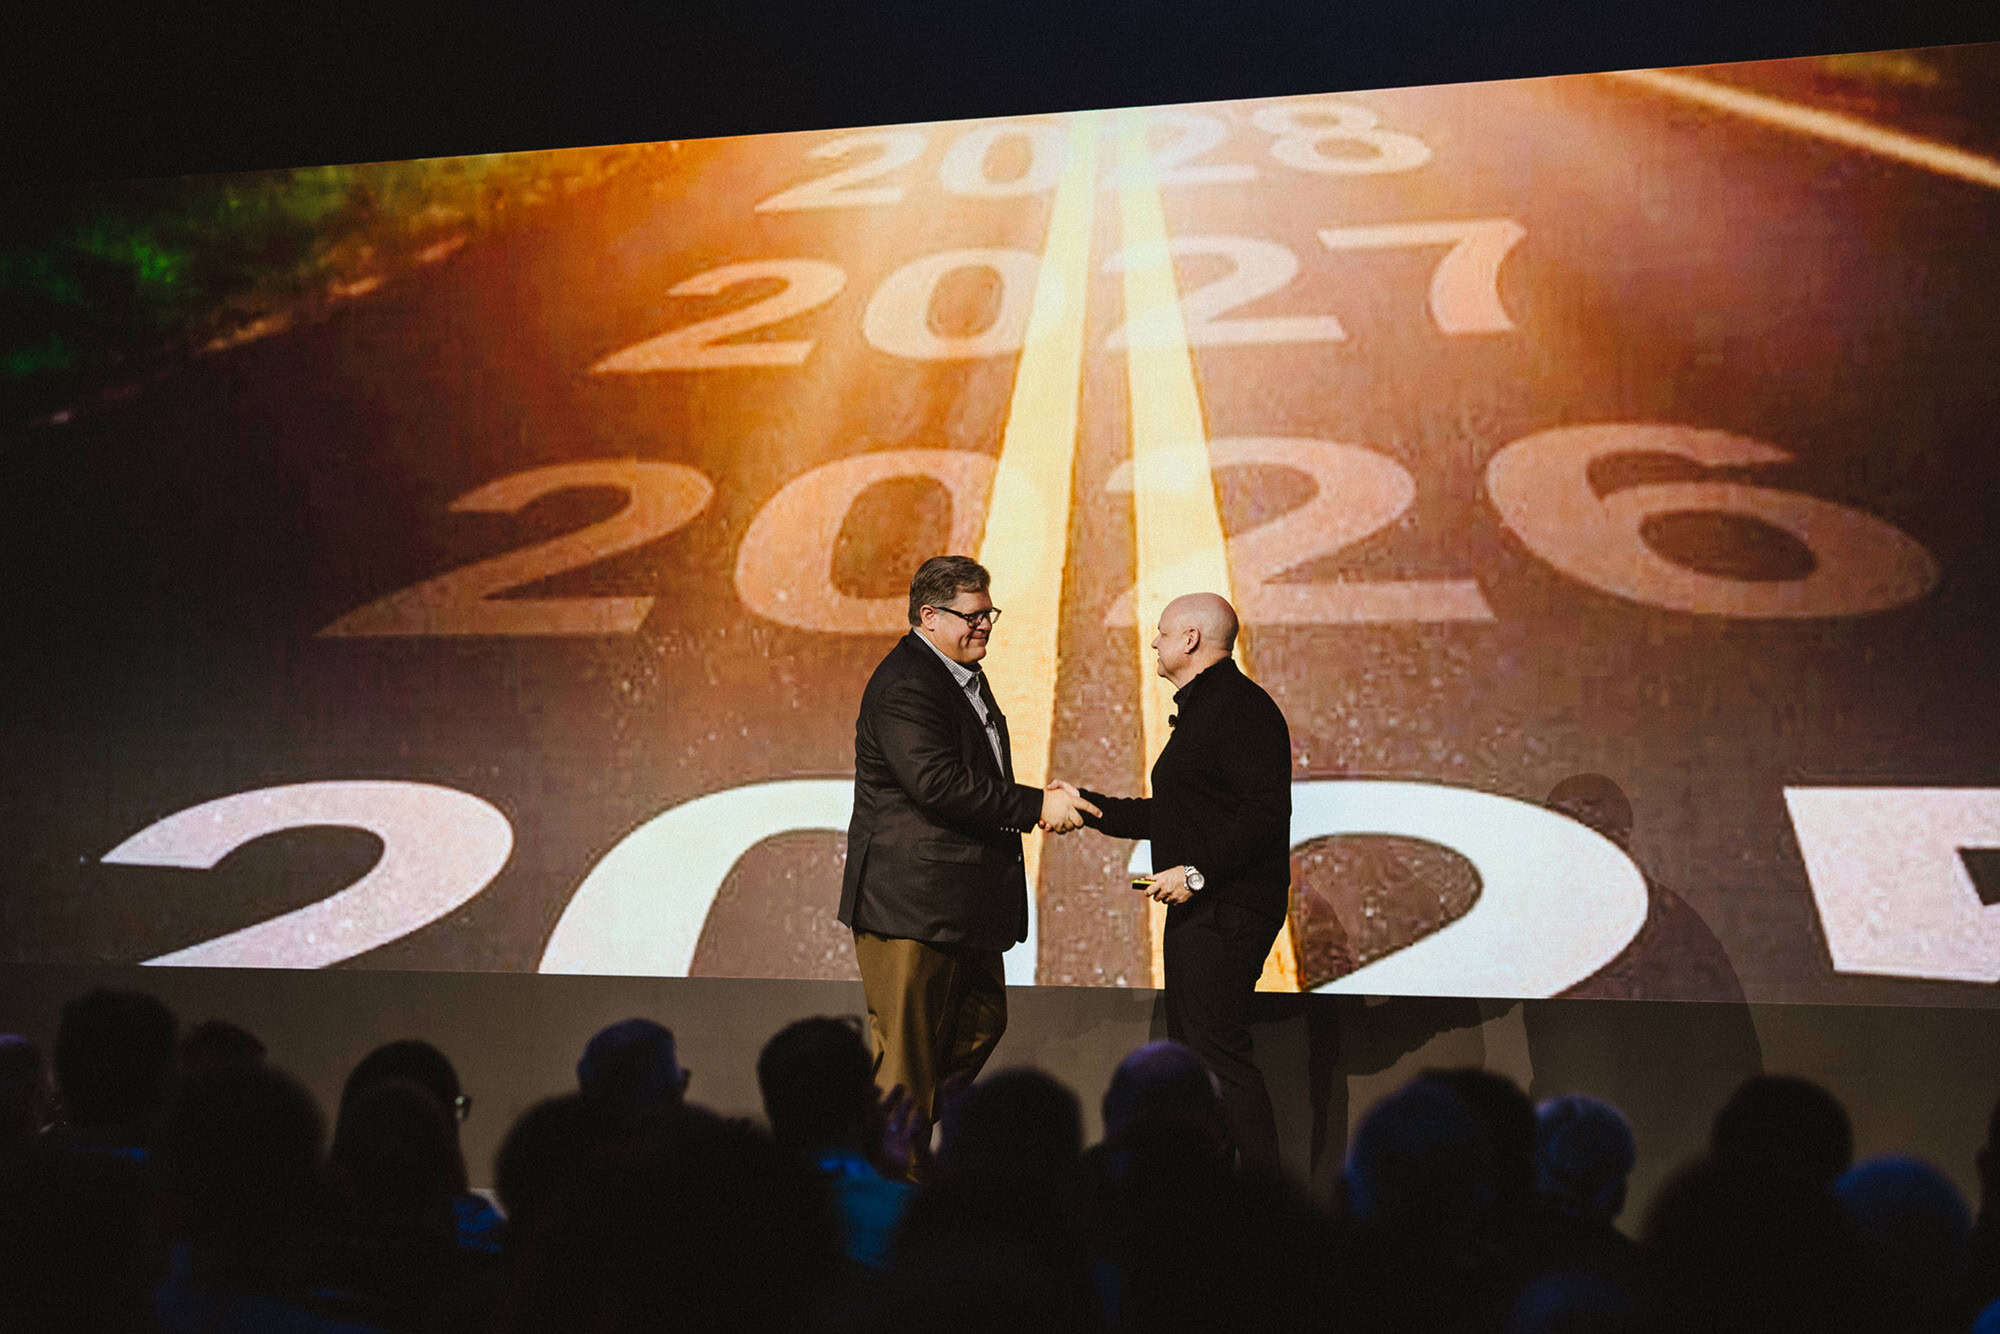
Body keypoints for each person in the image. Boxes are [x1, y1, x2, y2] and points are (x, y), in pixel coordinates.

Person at [837, 554, 1098, 1175]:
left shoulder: (955, 673)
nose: (986, 625)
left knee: (979, 1023)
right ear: (929, 616)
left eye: (990, 613)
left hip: (959, 904)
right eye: (973, 615)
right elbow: (939, 785)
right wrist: (1037, 805)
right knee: (906, 1062)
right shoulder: (906, 683)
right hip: (912, 905)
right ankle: (888, 1201)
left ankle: (911, 1161)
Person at [1066, 592, 1292, 1171]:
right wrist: (1086, 806)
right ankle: (1206, 1193)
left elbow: (1266, 814)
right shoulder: (1205, 709)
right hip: (1206, 908)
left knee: (1218, 1054)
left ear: (1191, 639)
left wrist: (1195, 873)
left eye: (1162, 632)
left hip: (1228, 909)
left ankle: (1261, 1200)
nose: (1154, 642)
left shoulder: (1239, 708)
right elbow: (1167, 814)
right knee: (1198, 1054)